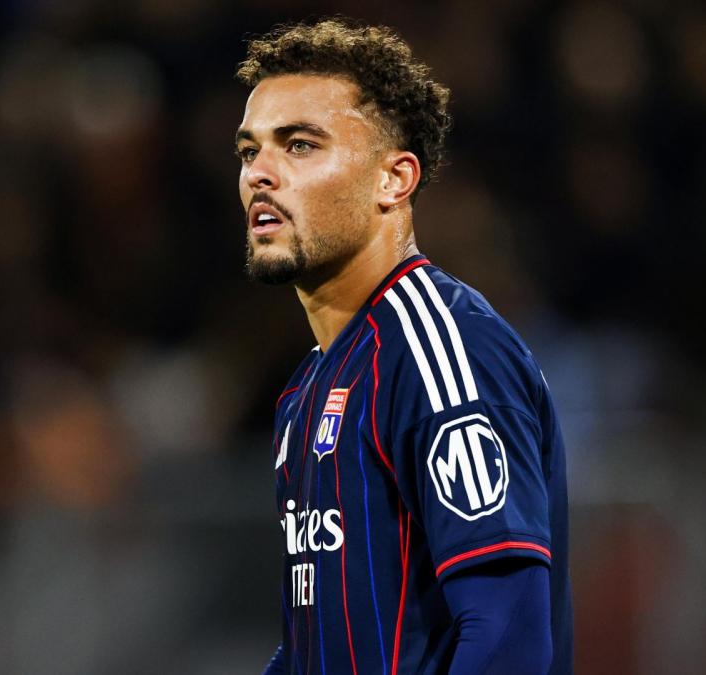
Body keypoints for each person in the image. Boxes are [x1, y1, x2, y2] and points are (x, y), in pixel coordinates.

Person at [234, 20, 573, 674]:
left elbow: (507, 634)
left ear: (393, 179)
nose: (260, 175)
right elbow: (317, 645)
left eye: (300, 145)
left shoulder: (440, 350)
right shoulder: (306, 389)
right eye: (250, 151)